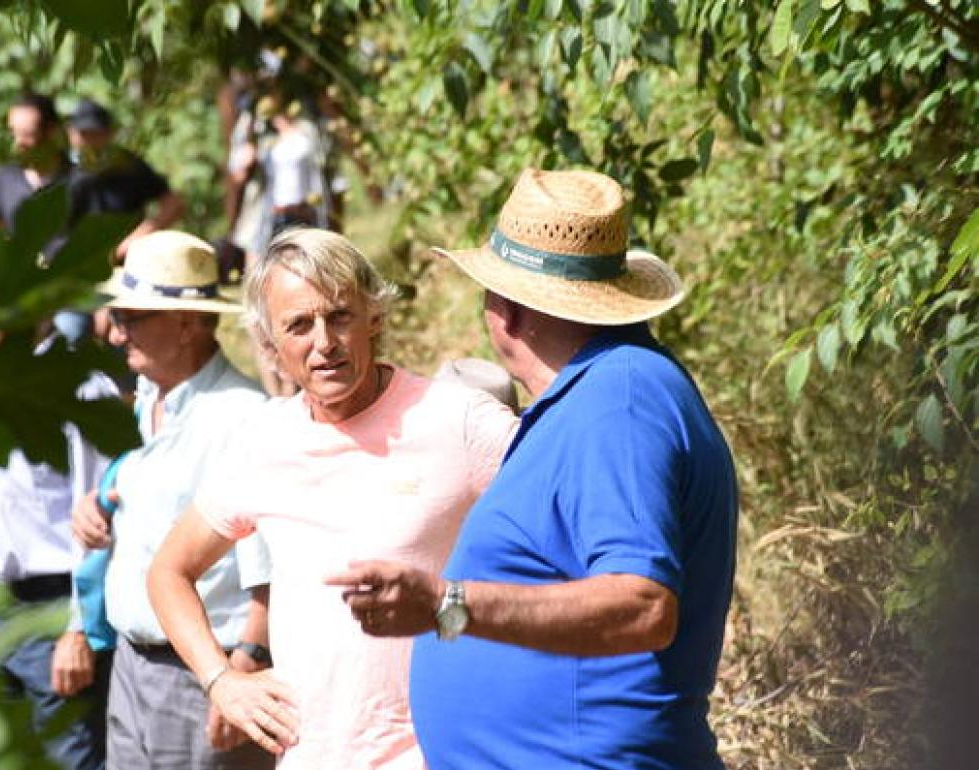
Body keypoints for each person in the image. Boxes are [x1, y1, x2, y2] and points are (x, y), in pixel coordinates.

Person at [326, 169, 739, 770]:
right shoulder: (599, 394)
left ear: (509, 311)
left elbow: (643, 606)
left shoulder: (617, 399)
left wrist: (449, 604)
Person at [147, 228, 519, 770]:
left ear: (374, 318)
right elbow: (168, 572)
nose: (323, 342)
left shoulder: (458, 420)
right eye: (298, 325)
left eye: (339, 316)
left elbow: (564, 546)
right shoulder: (263, 440)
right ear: (270, 347)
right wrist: (222, 680)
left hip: (439, 754)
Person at [69, 230, 275, 770]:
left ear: (187, 323)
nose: (116, 334)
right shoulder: (144, 403)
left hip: (201, 676)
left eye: (130, 318)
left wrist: (241, 671)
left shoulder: (242, 417)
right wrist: (97, 510)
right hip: (132, 665)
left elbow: (272, 569)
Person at [0, 268, 117, 770]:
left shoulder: (79, 390)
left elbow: (99, 519)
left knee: (67, 757)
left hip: (55, 609)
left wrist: (81, 630)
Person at [66, 98, 185, 263]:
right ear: (70, 133)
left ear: (109, 134)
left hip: (126, 267)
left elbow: (173, 204)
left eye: (96, 134)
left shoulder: (129, 166)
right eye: (84, 134)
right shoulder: (58, 169)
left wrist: (130, 244)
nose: (90, 141)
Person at [0, 93, 72, 246]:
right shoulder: (3, 180)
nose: (18, 142)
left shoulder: (79, 181)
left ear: (51, 131)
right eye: (13, 133)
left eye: (27, 134)